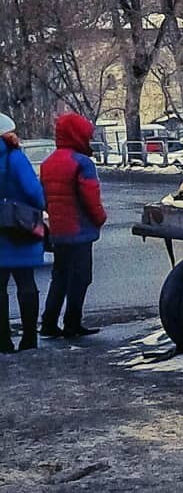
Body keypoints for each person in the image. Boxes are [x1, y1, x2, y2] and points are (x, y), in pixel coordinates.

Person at [40, 113, 107, 339]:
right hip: (80, 231)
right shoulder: (82, 163)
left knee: (59, 276)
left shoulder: (48, 163)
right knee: (81, 278)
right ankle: (72, 323)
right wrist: (100, 218)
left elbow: (44, 199)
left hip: (59, 232)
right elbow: (91, 198)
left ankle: (48, 322)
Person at [0, 111, 46, 353]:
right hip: (19, 227)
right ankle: (29, 338)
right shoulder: (14, 157)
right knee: (26, 283)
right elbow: (34, 192)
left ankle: (3, 340)